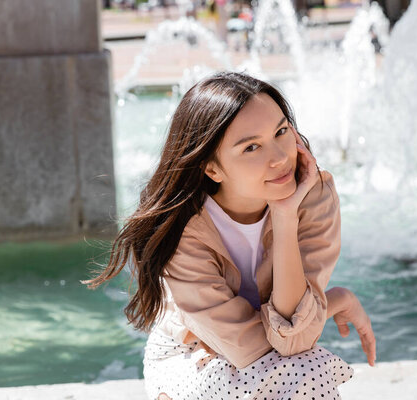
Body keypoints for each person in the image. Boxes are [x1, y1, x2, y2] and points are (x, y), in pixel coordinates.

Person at [81, 71, 376, 400]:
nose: (280, 157)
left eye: (281, 132)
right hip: (188, 354)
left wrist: (284, 214)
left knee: (302, 369)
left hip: (272, 359)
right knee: (308, 371)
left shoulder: (313, 196)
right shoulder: (182, 230)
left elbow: (293, 342)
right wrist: (333, 302)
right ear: (212, 169)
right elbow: (271, 347)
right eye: (251, 147)